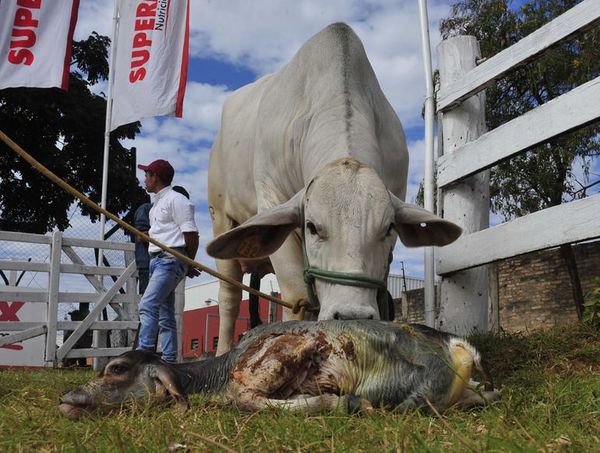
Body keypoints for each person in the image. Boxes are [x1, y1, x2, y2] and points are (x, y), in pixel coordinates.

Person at [136, 159, 199, 363]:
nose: (144, 179)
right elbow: (169, 233)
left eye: (147, 175)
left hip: (170, 259)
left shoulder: (177, 200)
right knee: (165, 314)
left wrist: (187, 262)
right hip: (159, 260)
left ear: (155, 177)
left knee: (147, 304)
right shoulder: (156, 206)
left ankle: (143, 354)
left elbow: (191, 234)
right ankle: (171, 360)